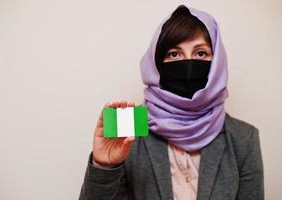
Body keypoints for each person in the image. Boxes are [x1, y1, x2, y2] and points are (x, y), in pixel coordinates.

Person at [79, 4, 264, 200]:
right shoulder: (127, 129)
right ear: (157, 63)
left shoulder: (244, 139)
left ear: (217, 63)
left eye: (201, 53)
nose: (188, 64)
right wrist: (104, 166)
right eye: (174, 54)